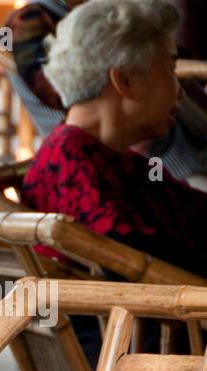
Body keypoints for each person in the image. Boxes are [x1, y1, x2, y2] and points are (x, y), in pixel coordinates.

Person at [21, 0, 207, 277]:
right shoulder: (73, 166)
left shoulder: (108, 157)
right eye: (170, 70)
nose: (179, 91)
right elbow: (149, 260)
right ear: (125, 80)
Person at [4, 0, 207, 183]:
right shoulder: (28, 24)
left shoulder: (114, 12)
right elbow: (78, 96)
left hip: (165, 152)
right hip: (152, 161)